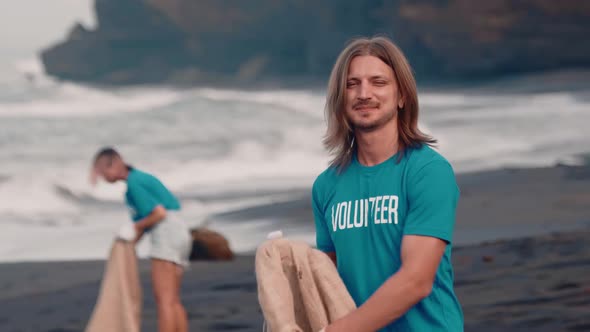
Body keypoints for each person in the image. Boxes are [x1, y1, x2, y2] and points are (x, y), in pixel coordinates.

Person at [312, 36, 463, 331]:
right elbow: (327, 283)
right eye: (352, 84)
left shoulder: (427, 171)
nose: (364, 93)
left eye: (378, 82)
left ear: (402, 96)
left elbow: (416, 280)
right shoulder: (326, 186)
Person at [90, 147, 191, 332]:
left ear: (113, 165)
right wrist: (128, 245)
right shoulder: (140, 178)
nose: (104, 179)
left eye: (103, 173)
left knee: (164, 300)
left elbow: (158, 214)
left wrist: (133, 228)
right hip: (180, 232)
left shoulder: (134, 184)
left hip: (166, 233)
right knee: (174, 299)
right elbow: (151, 217)